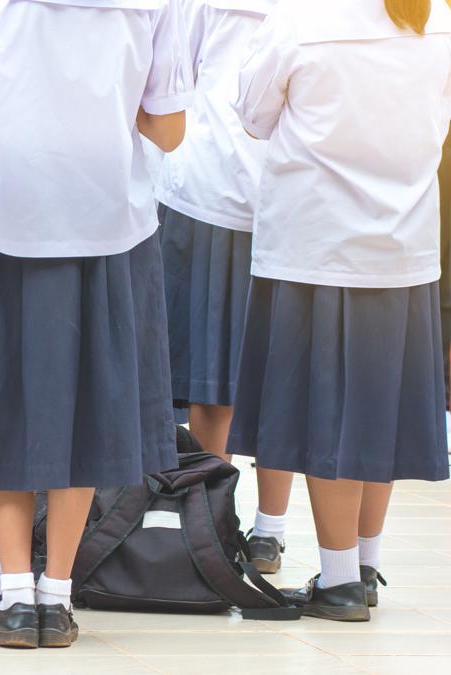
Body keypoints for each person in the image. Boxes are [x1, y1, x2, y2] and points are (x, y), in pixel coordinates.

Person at [0, 0, 189, 649]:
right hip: (111, 218)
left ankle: (16, 596)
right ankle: (57, 597)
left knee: (8, 404)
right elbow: (169, 130)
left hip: (16, 212)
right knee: (85, 408)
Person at [229, 0, 451, 621]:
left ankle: (339, 580)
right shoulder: (436, 19)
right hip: (403, 248)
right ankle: (366, 567)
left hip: (315, 246)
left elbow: (251, 116)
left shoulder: (302, 21)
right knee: (377, 417)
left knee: (326, 419)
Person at [155, 0, 295, 575]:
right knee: (217, 383)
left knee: (257, 382)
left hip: (268, 203)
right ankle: (214, 518)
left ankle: (259, 528)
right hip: (213, 192)